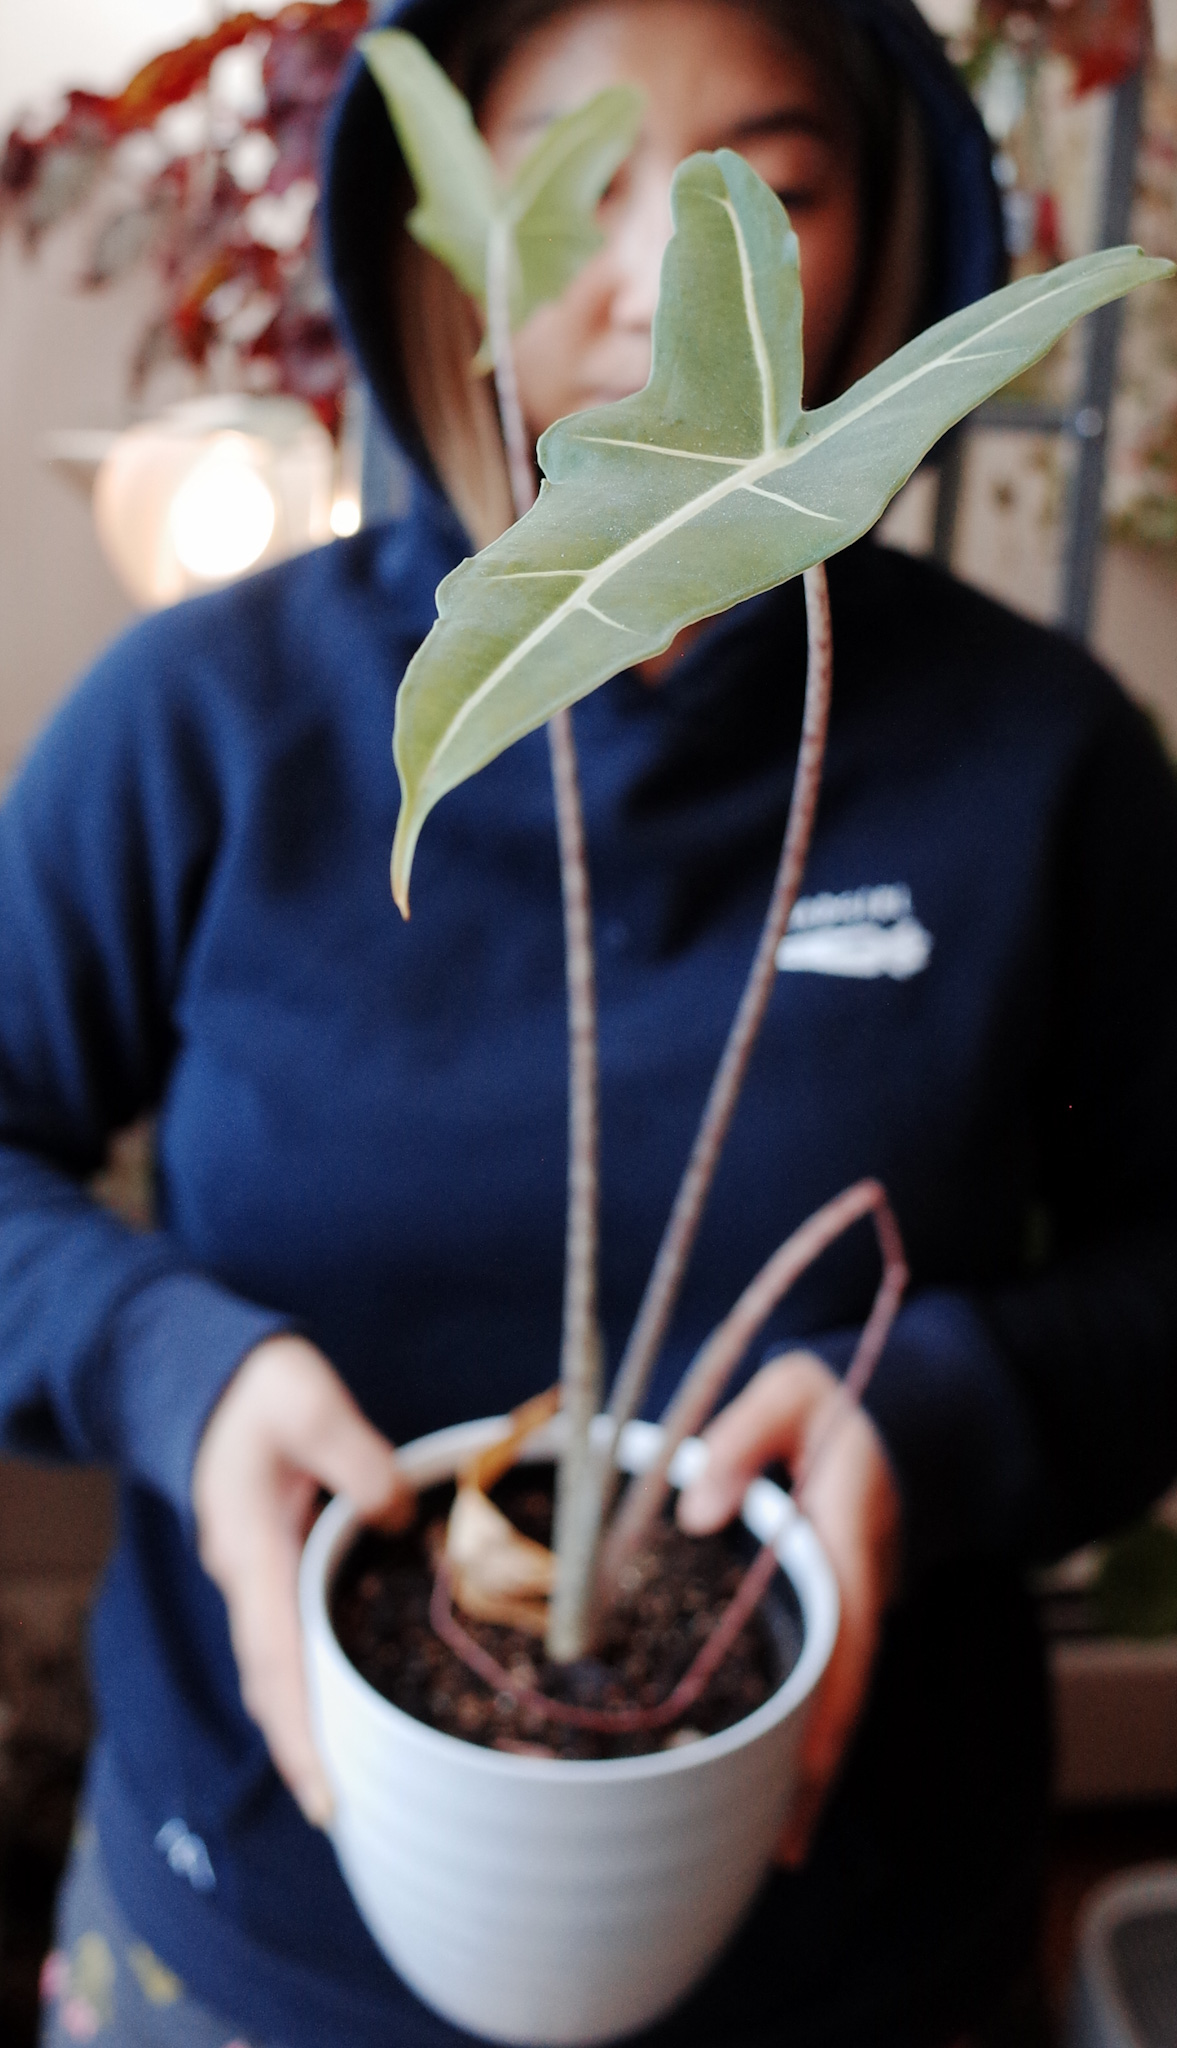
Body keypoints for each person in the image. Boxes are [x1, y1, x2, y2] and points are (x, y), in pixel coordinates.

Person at [4, 1, 1176, 2044]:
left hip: (864, 1938)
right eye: (578, 193)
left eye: (770, 189)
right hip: (255, 1930)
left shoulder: (1042, 757)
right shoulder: (209, 723)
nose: (656, 281)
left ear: (888, 241)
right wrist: (171, 1364)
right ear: (435, 256)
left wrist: (940, 1412)